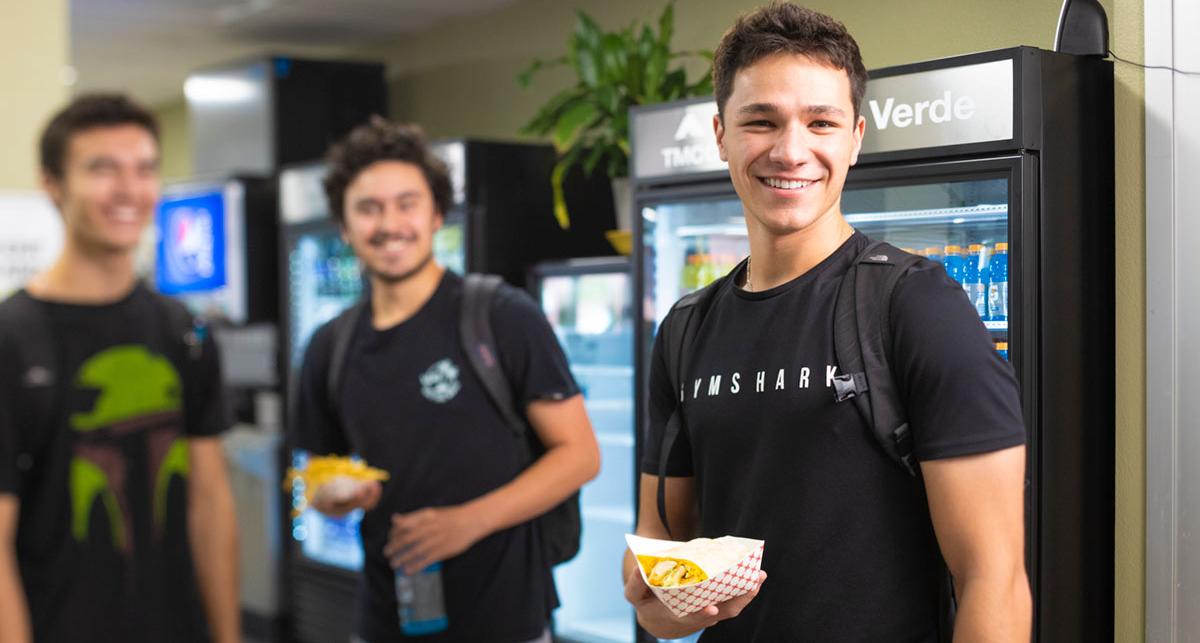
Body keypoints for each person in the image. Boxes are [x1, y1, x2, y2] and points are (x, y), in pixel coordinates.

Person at [623, 4, 1031, 642]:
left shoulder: (917, 306)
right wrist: (662, 603)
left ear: (855, 137)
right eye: (761, 121)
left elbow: (993, 579)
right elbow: (659, 548)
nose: (791, 150)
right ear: (721, 134)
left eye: (821, 122)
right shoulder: (684, 329)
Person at [290, 117, 600, 643]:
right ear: (343, 227)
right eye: (368, 208)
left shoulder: (501, 316)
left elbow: (580, 455)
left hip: (506, 621)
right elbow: (317, 472)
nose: (390, 224)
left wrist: (467, 522)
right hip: (384, 619)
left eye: (406, 203)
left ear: (436, 215)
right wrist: (332, 496)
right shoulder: (329, 346)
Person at [0, 94, 240, 642]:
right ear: (53, 185)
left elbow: (210, 500)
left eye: (145, 169)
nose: (129, 190)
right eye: (102, 169)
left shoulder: (183, 327)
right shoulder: (11, 338)